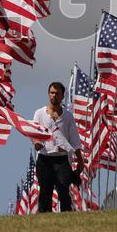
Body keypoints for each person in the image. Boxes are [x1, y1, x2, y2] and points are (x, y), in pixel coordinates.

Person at [32, 81, 83, 213]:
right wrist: (36, 142)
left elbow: (75, 140)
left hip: (62, 159)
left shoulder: (68, 116)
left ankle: (66, 216)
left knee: (64, 190)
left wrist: (80, 160)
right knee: (45, 191)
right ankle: (44, 218)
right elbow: (34, 132)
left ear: (62, 96)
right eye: (52, 93)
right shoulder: (39, 113)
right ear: (48, 94)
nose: (54, 96)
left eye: (57, 93)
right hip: (44, 158)